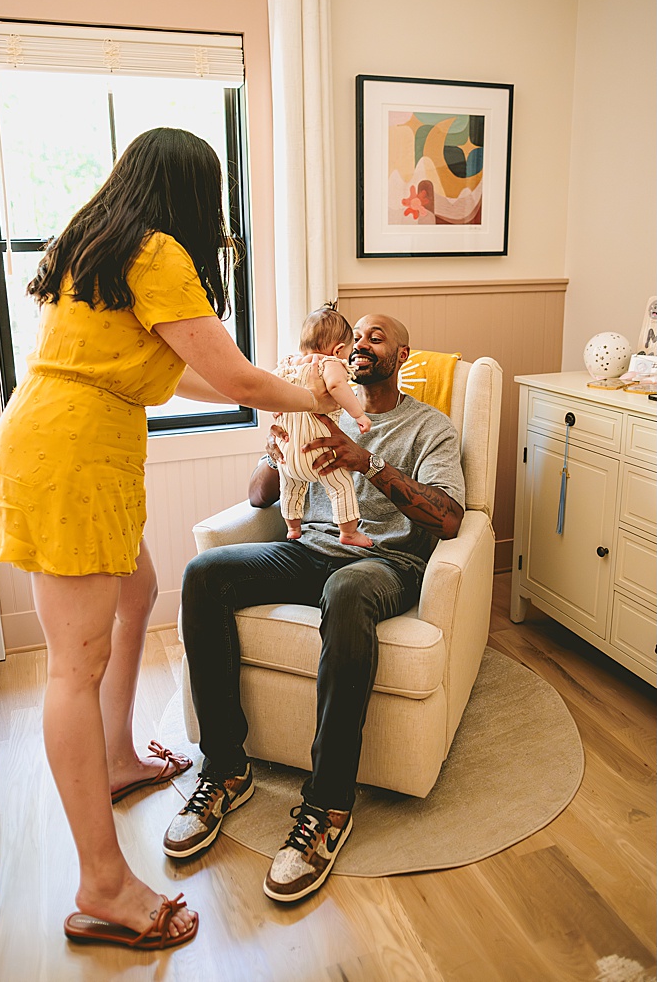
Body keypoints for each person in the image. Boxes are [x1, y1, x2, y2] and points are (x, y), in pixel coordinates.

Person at [0, 127, 327, 951]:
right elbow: (239, 377)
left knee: (137, 593)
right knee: (74, 665)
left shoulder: (97, 240)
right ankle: (102, 884)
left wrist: (269, 396)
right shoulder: (162, 252)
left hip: (60, 437)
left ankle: (114, 758)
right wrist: (320, 397)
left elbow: (187, 372)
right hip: (72, 451)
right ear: (193, 195)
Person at [164, 312, 464, 904]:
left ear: (402, 356)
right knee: (203, 574)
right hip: (308, 550)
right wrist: (277, 435)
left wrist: (365, 460)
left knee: (347, 590)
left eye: (376, 337)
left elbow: (450, 518)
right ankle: (226, 768)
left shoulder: (431, 427)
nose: (360, 344)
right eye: (355, 337)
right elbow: (260, 497)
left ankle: (327, 806)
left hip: (384, 564)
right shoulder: (311, 404)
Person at [272, 304, 373, 546]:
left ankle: (293, 528)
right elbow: (338, 386)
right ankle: (349, 533)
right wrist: (359, 414)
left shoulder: (288, 364)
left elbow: (270, 387)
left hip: (287, 453)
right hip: (317, 448)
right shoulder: (329, 364)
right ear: (339, 350)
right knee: (341, 486)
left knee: (291, 488)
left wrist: (276, 409)